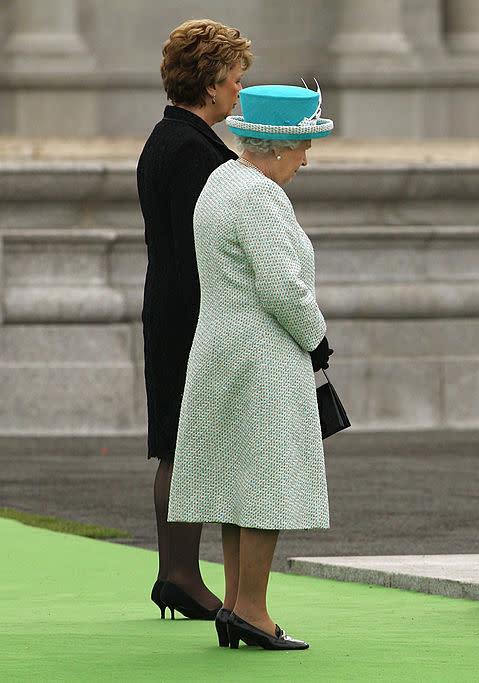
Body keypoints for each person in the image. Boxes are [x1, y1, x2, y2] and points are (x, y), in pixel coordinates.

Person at [167, 83, 335, 651]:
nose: (306, 158)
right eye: (304, 145)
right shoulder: (261, 196)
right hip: (262, 355)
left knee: (239, 482)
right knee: (266, 481)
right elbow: (283, 287)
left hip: (218, 346)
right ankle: (254, 611)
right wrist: (318, 337)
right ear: (276, 145)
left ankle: (237, 606)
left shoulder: (221, 180)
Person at [136, 18, 253, 621]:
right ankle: (179, 573)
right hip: (190, 311)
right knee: (182, 445)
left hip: (173, 304)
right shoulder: (190, 149)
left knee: (177, 444)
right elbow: (204, 246)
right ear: (210, 86)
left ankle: (176, 573)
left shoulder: (169, 138)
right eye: (234, 82)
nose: (239, 92)